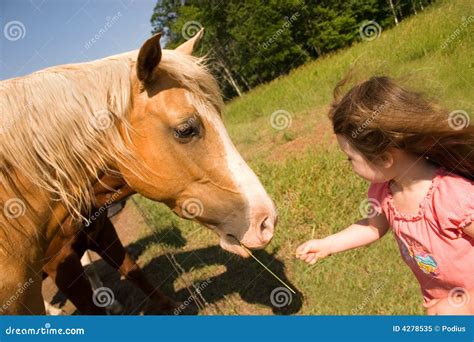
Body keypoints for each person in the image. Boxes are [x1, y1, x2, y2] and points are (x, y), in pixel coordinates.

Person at [296, 76, 474, 315]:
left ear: (385, 158)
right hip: (440, 303)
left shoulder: (452, 198)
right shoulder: (384, 192)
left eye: (351, 159)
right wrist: (328, 244)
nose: (349, 165)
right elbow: (372, 227)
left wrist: (464, 303)